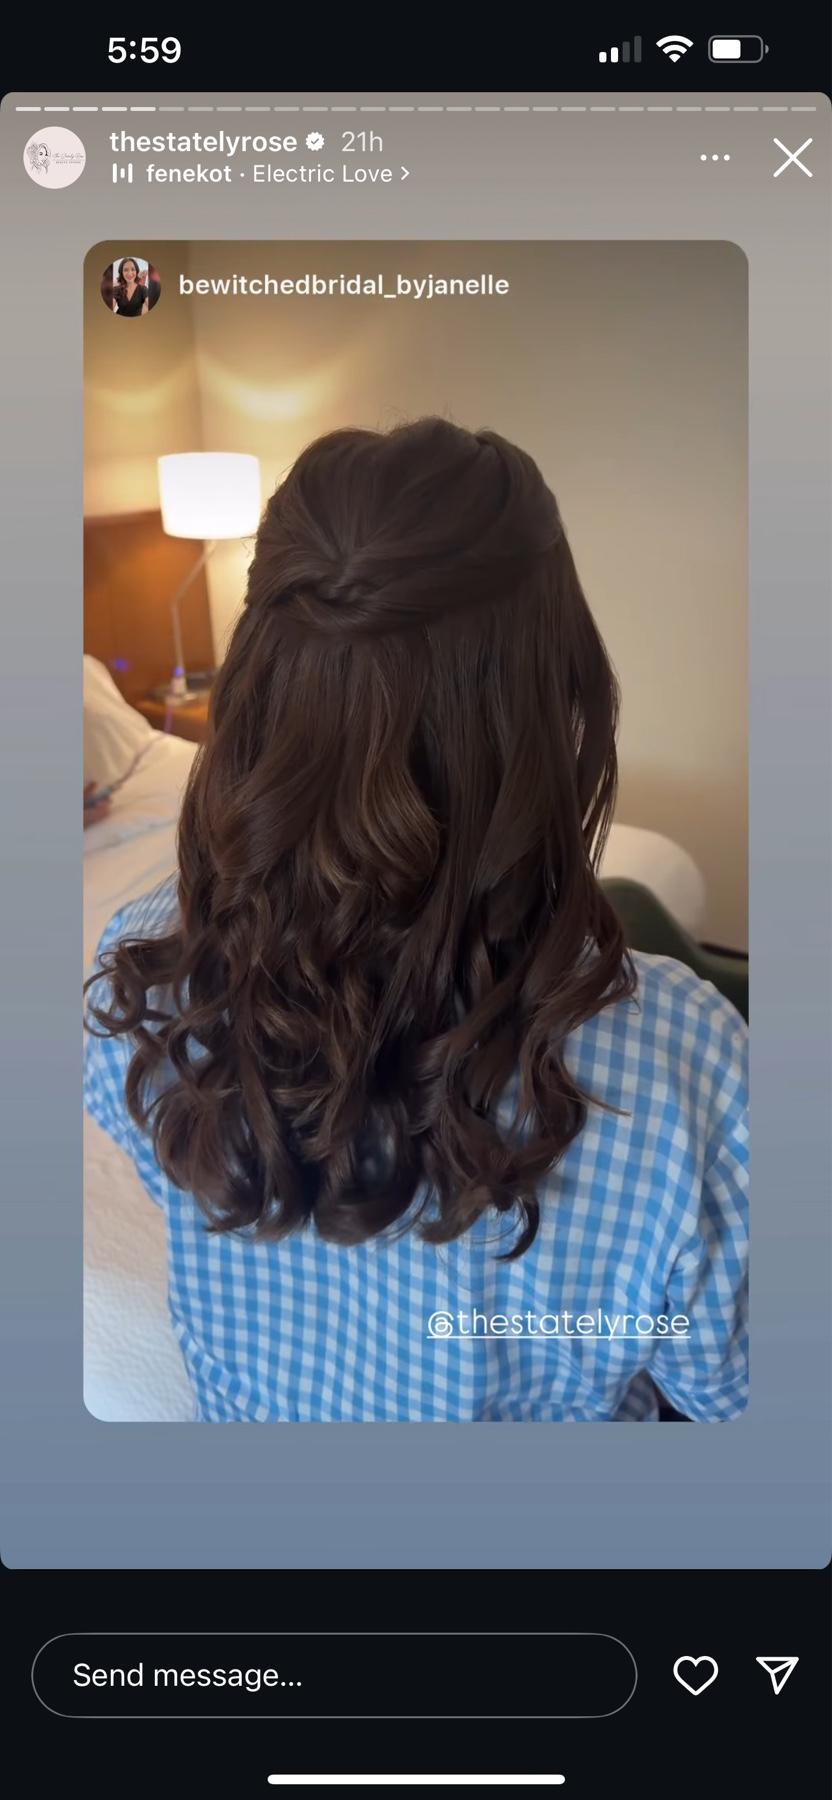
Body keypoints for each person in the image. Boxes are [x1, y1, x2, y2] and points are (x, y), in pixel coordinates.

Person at [84, 417, 748, 1424]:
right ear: (557, 688)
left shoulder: (146, 986)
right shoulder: (686, 1069)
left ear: (258, 687)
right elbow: (743, 1403)